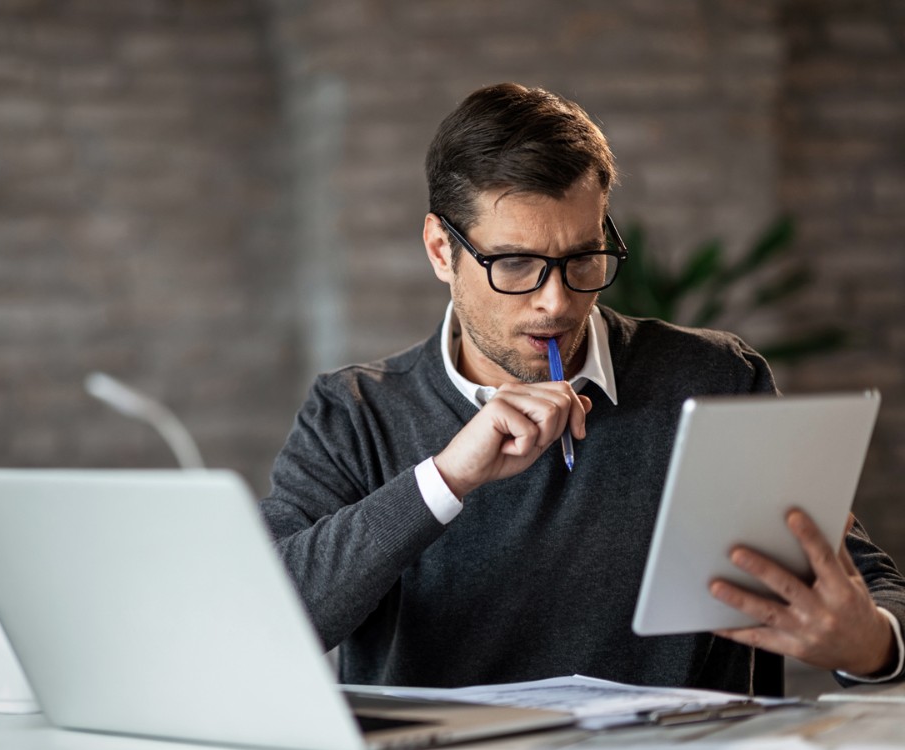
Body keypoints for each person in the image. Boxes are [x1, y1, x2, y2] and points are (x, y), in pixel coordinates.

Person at [260, 83, 905, 694]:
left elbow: (866, 583)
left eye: (583, 259)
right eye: (514, 263)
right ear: (439, 250)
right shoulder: (352, 413)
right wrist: (446, 479)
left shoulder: (713, 381)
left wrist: (872, 644)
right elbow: (265, 616)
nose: (556, 301)